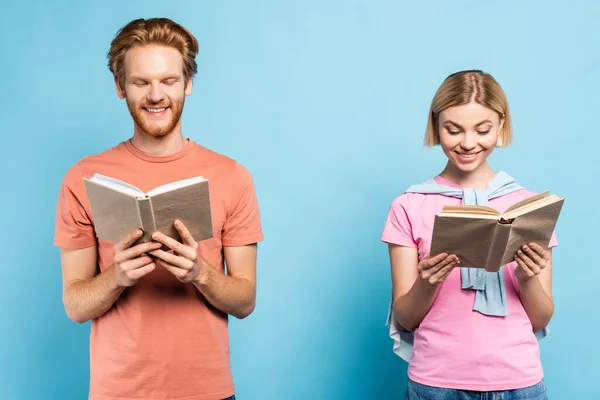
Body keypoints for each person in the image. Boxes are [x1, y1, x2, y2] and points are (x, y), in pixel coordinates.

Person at [54, 18, 262, 400]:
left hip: (207, 391)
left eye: (168, 81)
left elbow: (245, 300)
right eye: (140, 82)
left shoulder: (233, 176)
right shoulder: (83, 178)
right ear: (120, 87)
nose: (155, 95)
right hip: (117, 391)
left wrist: (201, 273)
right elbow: (75, 305)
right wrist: (117, 276)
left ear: (188, 84)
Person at [381, 70, 556, 399]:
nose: (468, 143)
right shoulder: (409, 205)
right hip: (436, 382)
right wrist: (428, 281)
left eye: (483, 129)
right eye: (453, 129)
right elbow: (405, 319)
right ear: (436, 125)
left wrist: (527, 276)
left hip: (519, 381)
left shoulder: (529, 207)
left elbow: (541, 318)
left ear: (501, 124)